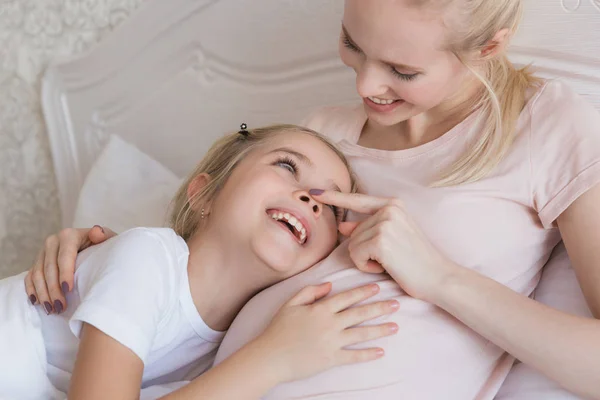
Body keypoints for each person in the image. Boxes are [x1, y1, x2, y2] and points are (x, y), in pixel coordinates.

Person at [26, 0, 600, 399]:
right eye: (352, 44)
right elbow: (192, 275)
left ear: (489, 47)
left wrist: (440, 278)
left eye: (402, 70)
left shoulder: (550, 127)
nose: (365, 87)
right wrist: (98, 257)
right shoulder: (323, 137)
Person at [0, 124, 401, 400]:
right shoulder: (146, 257)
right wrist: (273, 360)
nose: (311, 199)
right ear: (204, 194)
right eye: (286, 166)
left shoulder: (228, 345)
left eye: (332, 207)